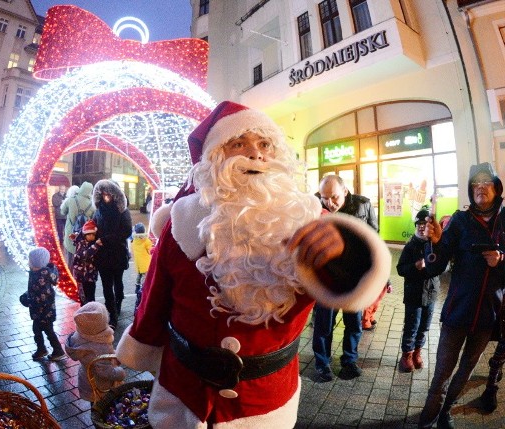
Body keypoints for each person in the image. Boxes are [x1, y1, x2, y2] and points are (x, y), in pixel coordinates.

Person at [115, 101, 390, 428]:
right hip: (182, 395)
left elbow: (362, 288)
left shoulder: (311, 222)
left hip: (264, 403)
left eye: (264, 145)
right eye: (238, 144)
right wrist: (136, 351)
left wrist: (346, 252)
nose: (255, 154)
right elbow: (153, 300)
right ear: (216, 157)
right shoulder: (182, 223)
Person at [418, 162, 505, 429]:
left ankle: (446, 412)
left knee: (466, 368)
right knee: (443, 369)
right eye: (475, 184)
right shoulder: (460, 220)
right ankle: (428, 416)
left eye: (486, 183)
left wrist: (501, 260)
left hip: (488, 315)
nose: (480, 188)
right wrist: (431, 241)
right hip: (457, 312)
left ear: (497, 188)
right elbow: (436, 265)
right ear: (470, 190)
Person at [313, 174, 379, 381]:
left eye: (334, 197)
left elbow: (374, 239)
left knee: (354, 323)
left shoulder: (363, 205)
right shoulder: (314, 205)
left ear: (345, 192)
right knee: (324, 324)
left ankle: (349, 361)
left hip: (354, 278)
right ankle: (322, 363)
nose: (329, 203)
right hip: (326, 279)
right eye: (324, 197)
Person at [396, 207, 440, 373]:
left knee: (425, 326)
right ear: (416, 226)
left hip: (431, 294)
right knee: (412, 326)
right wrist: (415, 266)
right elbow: (400, 269)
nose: (422, 227)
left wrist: (434, 266)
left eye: (426, 223)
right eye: (419, 223)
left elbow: (442, 268)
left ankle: (417, 353)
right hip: (414, 294)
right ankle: (406, 355)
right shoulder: (410, 246)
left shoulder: (435, 245)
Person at [65, 301, 126, 403]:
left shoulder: (78, 337)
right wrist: (119, 373)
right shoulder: (101, 346)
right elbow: (105, 371)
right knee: (103, 406)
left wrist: (113, 355)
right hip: (101, 386)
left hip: (86, 379)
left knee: (94, 404)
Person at [92, 179, 132, 329]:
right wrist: (86, 233)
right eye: (103, 194)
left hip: (117, 253)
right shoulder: (99, 210)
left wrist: (105, 239)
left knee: (118, 282)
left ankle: (118, 302)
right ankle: (112, 315)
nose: (105, 197)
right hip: (103, 255)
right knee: (106, 286)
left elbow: (126, 231)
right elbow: (94, 226)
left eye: (108, 194)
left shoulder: (123, 210)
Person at [26, 247, 65, 361]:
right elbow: (32, 289)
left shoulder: (42, 275)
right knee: (37, 330)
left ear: (35, 262)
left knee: (48, 331)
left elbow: (40, 296)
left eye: (30, 260)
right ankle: (41, 349)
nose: (28, 262)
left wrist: (28, 300)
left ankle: (58, 351)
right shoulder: (35, 272)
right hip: (39, 310)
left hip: (45, 311)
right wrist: (27, 296)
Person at [60, 181, 94, 263]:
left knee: (70, 260)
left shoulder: (71, 200)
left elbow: (62, 212)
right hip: (84, 236)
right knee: (81, 261)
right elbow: (93, 221)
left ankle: (71, 275)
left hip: (70, 233)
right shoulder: (92, 205)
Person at [70, 219, 102, 304]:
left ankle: (92, 309)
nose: (91, 236)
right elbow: (85, 254)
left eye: (93, 235)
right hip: (81, 275)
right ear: (85, 235)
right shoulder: (81, 243)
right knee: (83, 296)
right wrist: (96, 245)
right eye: (89, 235)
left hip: (91, 275)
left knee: (91, 294)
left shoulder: (92, 243)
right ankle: (85, 309)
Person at [131, 222, 153, 312]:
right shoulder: (146, 240)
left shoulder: (134, 241)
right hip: (145, 263)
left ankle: (137, 287)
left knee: (139, 275)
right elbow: (150, 249)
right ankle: (143, 287)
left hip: (138, 263)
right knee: (144, 276)